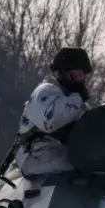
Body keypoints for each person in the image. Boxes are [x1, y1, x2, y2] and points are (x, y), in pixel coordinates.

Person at [13, 46, 93, 176]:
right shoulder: (45, 93)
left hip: (62, 153)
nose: (81, 79)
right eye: (78, 74)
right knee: (74, 168)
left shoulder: (77, 104)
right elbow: (51, 120)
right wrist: (77, 99)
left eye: (83, 75)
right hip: (36, 153)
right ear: (63, 73)